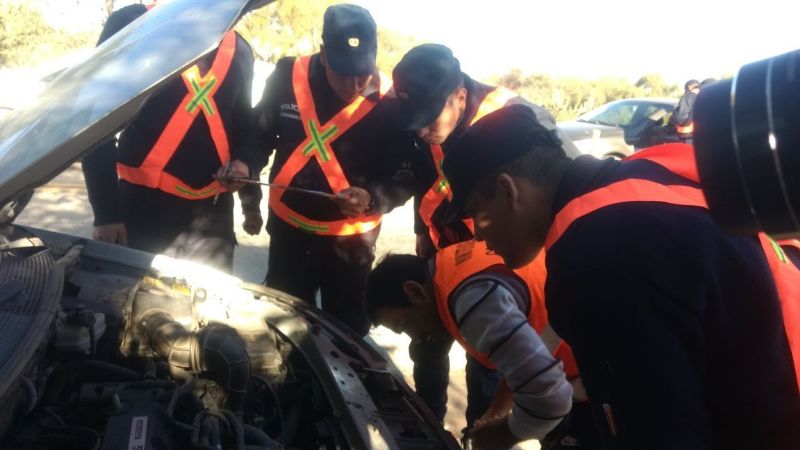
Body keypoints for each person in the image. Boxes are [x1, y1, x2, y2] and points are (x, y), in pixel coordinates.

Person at [441, 104, 800, 449]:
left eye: (476, 213)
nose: (477, 236)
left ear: (507, 190)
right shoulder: (640, 178)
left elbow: (659, 437)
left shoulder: (595, 254)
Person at [388, 43, 580, 426]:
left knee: (489, 361)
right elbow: (418, 184)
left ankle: (484, 424)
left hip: (500, 265)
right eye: (415, 123)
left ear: (460, 95)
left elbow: (558, 194)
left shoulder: (516, 121)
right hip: (443, 253)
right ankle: (426, 428)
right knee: (427, 348)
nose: (423, 131)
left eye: (429, 120)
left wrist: (505, 429)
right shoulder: (423, 123)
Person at [221, 4, 413, 336]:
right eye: (343, 72)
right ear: (323, 54)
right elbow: (260, 133)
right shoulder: (288, 75)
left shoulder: (390, 101)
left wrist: (372, 197)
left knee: (347, 331)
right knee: (284, 326)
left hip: (351, 243)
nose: (354, 84)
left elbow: (403, 174)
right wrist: (245, 163)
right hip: (289, 233)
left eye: (363, 72)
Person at [83, 2, 260, 272]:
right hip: (139, 213)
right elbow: (93, 115)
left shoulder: (240, 51)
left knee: (208, 312)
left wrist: (248, 187)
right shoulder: (133, 24)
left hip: (211, 221)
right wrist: (106, 212)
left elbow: (244, 128)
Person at [365, 239, 576, 450]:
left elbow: (548, 397)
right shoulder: (448, 266)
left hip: (586, 370)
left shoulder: (472, 302)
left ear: (415, 292)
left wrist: (507, 433)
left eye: (404, 323)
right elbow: (523, 357)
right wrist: (497, 410)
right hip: (574, 354)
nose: (416, 337)